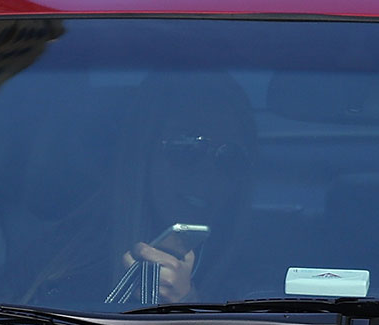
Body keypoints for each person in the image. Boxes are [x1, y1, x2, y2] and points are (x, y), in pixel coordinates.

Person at [18, 72, 255, 308]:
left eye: (230, 157)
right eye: (186, 146)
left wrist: (188, 303)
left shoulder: (260, 277)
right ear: (142, 154)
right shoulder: (59, 264)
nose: (207, 172)